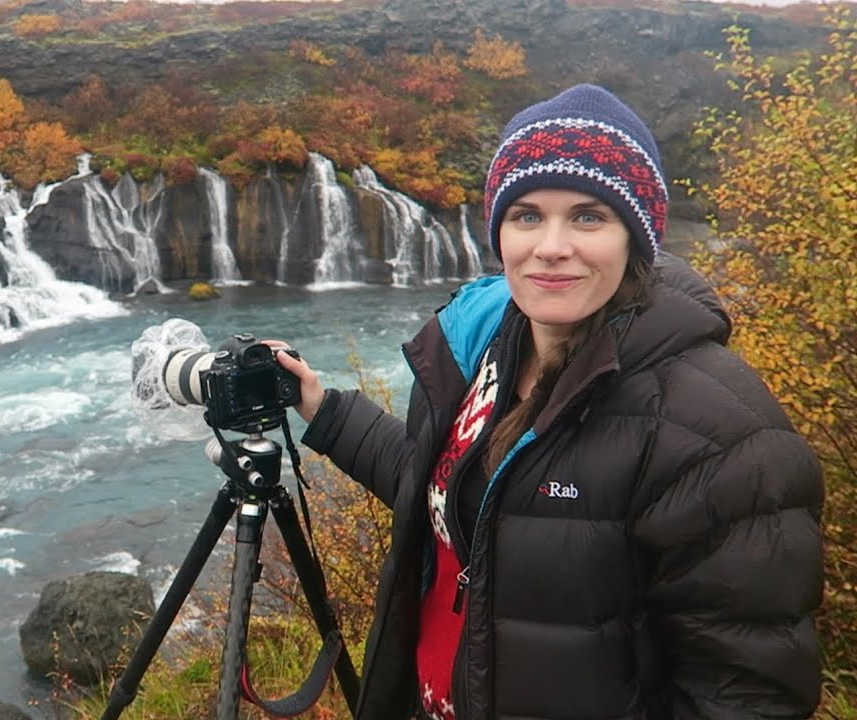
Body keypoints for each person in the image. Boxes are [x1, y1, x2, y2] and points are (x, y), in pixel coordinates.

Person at [273, 84, 824, 720]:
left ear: (635, 239)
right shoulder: (483, 351)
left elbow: (749, 695)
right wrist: (326, 410)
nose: (551, 246)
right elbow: (461, 496)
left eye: (588, 216)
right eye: (527, 215)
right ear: (499, 230)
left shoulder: (724, 435)